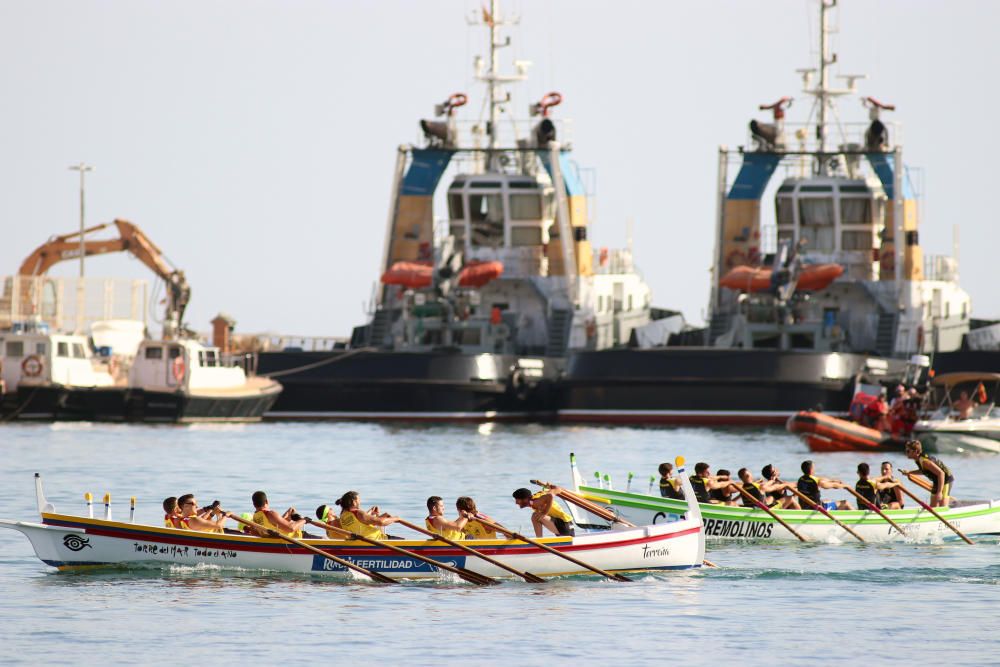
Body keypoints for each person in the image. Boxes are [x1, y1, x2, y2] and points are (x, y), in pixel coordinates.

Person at [901, 440, 954, 507]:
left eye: (908, 451)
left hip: (946, 479)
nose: (906, 453)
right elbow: (923, 471)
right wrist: (909, 472)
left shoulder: (925, 462)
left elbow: (941, 473)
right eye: (906, 450)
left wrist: (940, 492)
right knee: (933, 506)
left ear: (916, 452)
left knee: (942, 505)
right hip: (937, 480)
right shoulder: (918, 460)